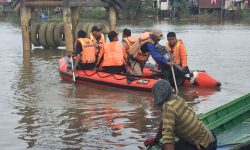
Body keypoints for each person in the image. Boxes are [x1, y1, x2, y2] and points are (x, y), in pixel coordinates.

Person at [144, 80, 217, 150]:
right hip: (211, 139)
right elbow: (163, 123)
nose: (152, 98)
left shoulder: (168, 107)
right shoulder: (176, 99)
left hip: (205, 147)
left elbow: (168, 138)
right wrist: (155, 140)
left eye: (154, 95)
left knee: (164, 147)